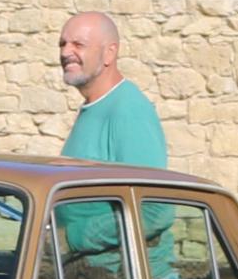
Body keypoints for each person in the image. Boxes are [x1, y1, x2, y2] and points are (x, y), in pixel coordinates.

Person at [57, 11, 166, 166]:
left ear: (109, 53)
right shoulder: (94, 106)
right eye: (62, 44)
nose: (65, 52)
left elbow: (150, 186)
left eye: (78, 44)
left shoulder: (130, 111)